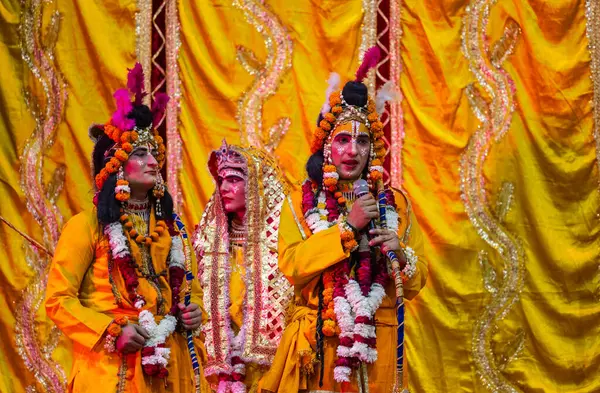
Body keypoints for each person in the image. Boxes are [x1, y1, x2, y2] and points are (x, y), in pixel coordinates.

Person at [259, 47, 428, 392]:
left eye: (363, 141)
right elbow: (292, 265)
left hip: (380, 344)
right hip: (324, 340)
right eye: (343, 140)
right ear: (326, 147)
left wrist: (400, 253)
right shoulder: (300, 202)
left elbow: (417, 279)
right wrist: (346, 228)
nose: (353, 151)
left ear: (374, 149)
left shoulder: (396, 204)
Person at [45, 64, 208, 393]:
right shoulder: (87, 225)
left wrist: (195, 311)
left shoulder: (170, 227)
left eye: (154, 154)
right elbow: (58, 300)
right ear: (115, 164)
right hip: (111, 368)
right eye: (140, 153)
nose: (153, 162)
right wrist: (110, 330)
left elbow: (190, 289)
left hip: (169, 364)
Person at [192, 141, 293, 393]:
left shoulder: (282, 239)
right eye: (222, 180)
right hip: (220, 369)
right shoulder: (207, 239)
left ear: (259, 185)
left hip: (272, 365)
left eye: (234, 180)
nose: (224, 188)